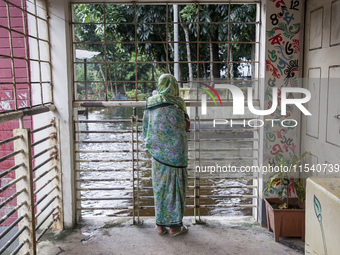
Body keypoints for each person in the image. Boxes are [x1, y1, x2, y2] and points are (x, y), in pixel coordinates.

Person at [142, 74, 190, 237]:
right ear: (174, 86)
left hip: (158, 153)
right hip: (176, 154)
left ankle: (160, 226)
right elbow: (186, 125)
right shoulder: (178, 103)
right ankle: (175, 227)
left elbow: (146, 128)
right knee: (176, 187)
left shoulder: (151, 103)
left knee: (160, 188)